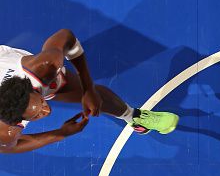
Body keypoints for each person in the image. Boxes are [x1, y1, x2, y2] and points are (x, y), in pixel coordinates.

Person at [0, 29, 179, 153]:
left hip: (17, 69)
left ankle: (133, 117)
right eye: (37, 115)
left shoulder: (43, 66)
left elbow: (66, 37)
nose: (47, 110)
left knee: (94, 96)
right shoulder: (6, 131)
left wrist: (88, 87)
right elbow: (10, 147)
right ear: (17, 120)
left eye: (41, 103)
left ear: (31, 89)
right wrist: (61, 134)